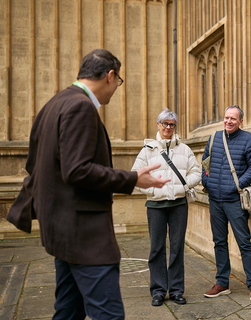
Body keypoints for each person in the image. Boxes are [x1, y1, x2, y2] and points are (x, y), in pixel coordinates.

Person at [6, 49, 170, 320]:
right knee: (108, 315)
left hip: (61, 230)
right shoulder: (80, 106)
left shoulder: (54, 103)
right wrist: (132, 178)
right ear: (110, 76)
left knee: (68, 312)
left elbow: (34, 163)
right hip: (85, 236)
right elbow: (76, 170)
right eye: (118, 82)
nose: (117, 88)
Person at [131, 108, 201, 307]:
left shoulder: (185, 149)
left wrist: (184, 186)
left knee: (177, 248)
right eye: (165, 124)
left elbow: (196, 171)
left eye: (172, 124)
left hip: (179, 204)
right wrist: (152, 190)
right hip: (155, 205)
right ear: (158, 125)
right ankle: (159, 291)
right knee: (157, 248)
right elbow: (135, 176)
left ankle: (177, 290)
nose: (168, 128)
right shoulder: (148, 150)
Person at [201, 105, 251, 301]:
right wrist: (206, 181)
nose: (228, 121)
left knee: (244, 243)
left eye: (233, 119)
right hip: (215, 200)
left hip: (235, 201)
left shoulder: (248, 139)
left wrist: (237, 185)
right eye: (227, 118)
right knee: (219, 242)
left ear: (240, 121)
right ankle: (222, 282)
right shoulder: (214, 138)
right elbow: (205, 162)